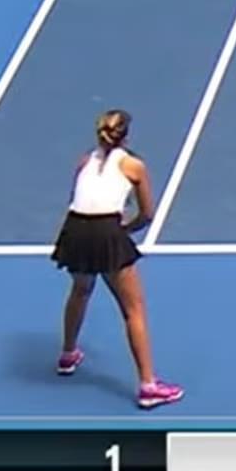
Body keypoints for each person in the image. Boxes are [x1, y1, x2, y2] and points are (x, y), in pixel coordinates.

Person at [51, 110, 184, 409]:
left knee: (80, 289)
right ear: (126, 136)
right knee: (133, 309)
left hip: (74, 230)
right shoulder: (134, 166)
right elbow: (147, 214)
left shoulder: (84, 161)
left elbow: (80, 199)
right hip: (105, 233)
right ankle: (149, 386)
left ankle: (68, 355)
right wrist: (124, 229)